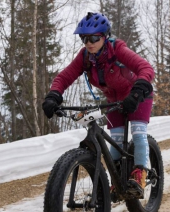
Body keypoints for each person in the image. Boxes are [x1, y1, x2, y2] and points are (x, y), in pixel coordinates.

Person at [42, 12, 155, 198]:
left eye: (93, 37)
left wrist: (137, 92)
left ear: (104, 36)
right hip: (114, 100)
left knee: (138, 132)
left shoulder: (117, 49)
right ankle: (118, 181)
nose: (88, 42)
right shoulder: (85, 57)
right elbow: (65, 76)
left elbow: (146, 68)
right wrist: (54, 95)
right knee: (116, 139)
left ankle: (139, 174)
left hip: (138, 95)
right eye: (84, 38)